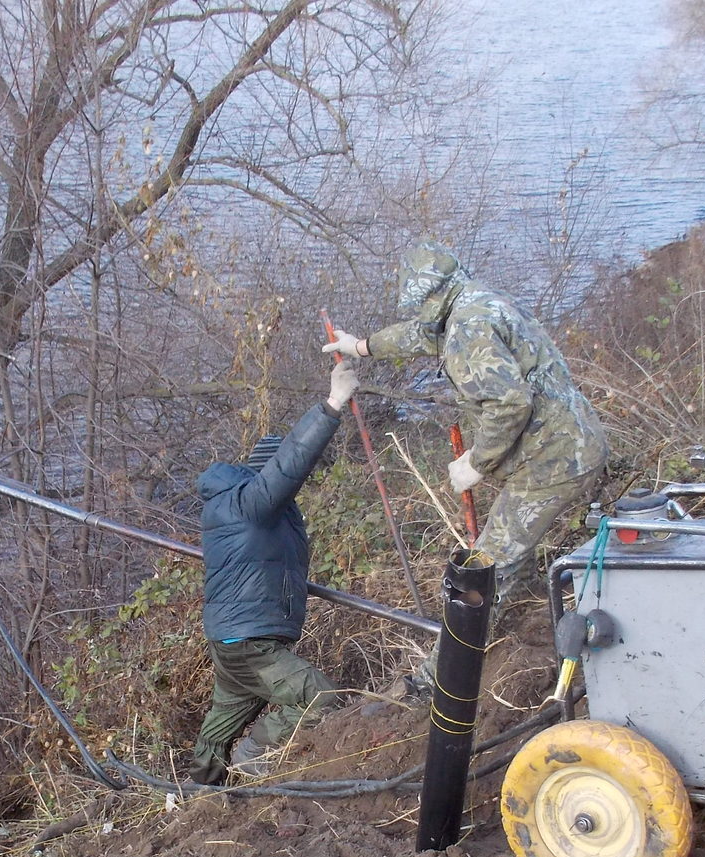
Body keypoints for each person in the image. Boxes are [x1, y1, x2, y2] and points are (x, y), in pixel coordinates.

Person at [322, 243, 609, 680]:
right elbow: (420, 335)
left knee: (482, 569)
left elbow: (510, 403)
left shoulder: (467, 328)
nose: (419, 314)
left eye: (420, 305)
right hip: (570, 444)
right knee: (511, 543)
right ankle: (531, 611)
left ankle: (436, 678)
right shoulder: (475, 300)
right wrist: (360, 346)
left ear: (433, 297)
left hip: (554, 462)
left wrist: (476, 461)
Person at [187, 361, 360, 786]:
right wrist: (333, 404)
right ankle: (253, 759)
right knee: (322, 698)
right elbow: (290, 465)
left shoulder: (239, 507)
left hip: (235, 637)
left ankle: (199, 789)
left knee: (224, 717)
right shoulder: (251, 501)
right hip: (249, 640)